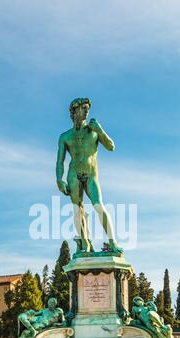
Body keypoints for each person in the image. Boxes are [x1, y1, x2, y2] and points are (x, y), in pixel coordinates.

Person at [56, 97, 122, 254]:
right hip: (73, 175)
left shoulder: (93, 131)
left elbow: (111, 146)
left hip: (91, 174)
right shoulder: (65, 136)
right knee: (77, 210)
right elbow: (60, 161)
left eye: (87, 108)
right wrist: (59, 179)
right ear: (74, 111)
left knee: (99, 206)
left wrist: (100, 130)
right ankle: (85, 243)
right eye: (83, 108)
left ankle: (113, 243)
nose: (87, 111)